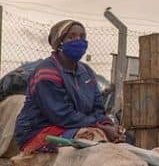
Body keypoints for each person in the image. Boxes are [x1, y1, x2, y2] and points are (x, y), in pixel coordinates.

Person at [14, 20, 125, 154]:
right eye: (71, 37)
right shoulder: (46, 73)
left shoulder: (87, 72)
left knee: (124, 139)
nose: (78, 40)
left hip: (75, 126)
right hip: (39, 131)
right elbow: (63, 116)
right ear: (59, 42)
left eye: (82, 37)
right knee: (92, 138)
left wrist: (107, 125)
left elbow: (98, 108)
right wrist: (99, 126)